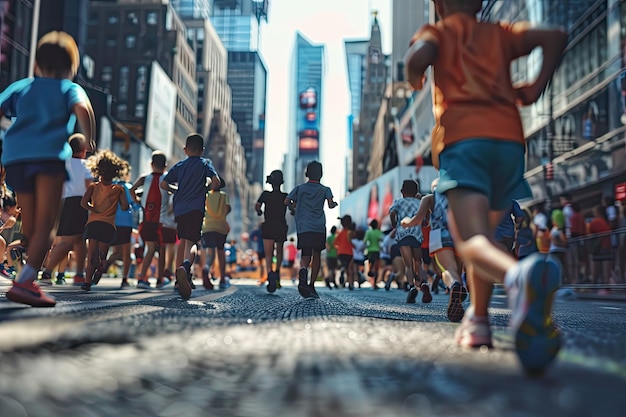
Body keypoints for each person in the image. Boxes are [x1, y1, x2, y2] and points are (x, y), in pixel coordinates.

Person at [404, 0, 567, 375]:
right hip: (509, 141)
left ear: (438, 5)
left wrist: (416, 77)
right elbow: (555, 36)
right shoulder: (500, 33)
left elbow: (419, 56)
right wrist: (535, 87)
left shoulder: (440, 32)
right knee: (489, 235)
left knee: (471, 241)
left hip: (464, 141)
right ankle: (478, 322)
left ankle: (518, 277)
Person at [1, 31, 96, 307]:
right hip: (49, 158)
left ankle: (25, 275)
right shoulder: (69, 88)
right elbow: (84, 109)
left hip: (16, 157)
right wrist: (88, 136)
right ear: (71, 68)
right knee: (48, 224)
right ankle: (25, 281)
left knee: (30, 223)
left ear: (36, 64)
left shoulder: (22, 86)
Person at [160, 133, 221, 300]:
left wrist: (177, 191)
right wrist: (206, 188)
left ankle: (182, 274)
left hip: (180, 209)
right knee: (193, 243)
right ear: (202, 150)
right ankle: (186, 267)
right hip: (196, 208)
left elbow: (163, 184)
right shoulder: (205, 164)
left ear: (185, 149)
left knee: (185, 240)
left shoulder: (179, 166)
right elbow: (216, 182)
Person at [401, 178, 466, 322]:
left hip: (440, 236)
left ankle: (454, 284)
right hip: (460, 234)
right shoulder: (461, 194)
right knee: (459, 270)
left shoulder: (429, 198)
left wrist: (405, 222)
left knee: (448, 270)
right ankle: (459, 289)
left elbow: (417, 220)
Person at [39, 133, 93, 286]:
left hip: (62, 202)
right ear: (84, 149)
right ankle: (47, 272)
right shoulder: (85, 165)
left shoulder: (64, 163)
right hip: (78, 203)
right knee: (68, 241)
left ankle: (79, 274)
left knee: (80, 240)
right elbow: (89, 187)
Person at [285, 160, 338, 299]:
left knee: (305, 254)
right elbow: (331, 205)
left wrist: (293, 207)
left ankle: (303, 270)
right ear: (321, 174)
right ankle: (312, 285)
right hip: (319, 226)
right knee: (317, 255)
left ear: (307, 173)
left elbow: (286, 201)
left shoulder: (300, 188)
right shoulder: (325, 189)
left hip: (303, 226)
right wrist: (334, 204)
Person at [80, 150, 129, 291]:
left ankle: (87, 282)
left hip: (93, 224)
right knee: (102, 254)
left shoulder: (93, 187)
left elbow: (83, 203)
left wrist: (94, 209)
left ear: (98, 170)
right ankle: (99, 271)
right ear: (115, 172)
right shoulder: (118, 189)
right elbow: (125, 207)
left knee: (91, 254)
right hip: (108, 225)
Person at [130, 151, 171, 289]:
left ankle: (146, 277)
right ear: (165, 166)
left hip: (146, 220)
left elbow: (132, 190)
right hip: (162, 221)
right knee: (160, 249)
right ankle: (153, 278)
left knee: (150, 248)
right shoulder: (167, 179)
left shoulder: (144, 178)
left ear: (151, 164)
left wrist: (137, 202)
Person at [389, 179, 430, 304]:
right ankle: (423, 282)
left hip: (403, 234)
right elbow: (427, 213)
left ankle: (412, 286)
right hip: (417, 234)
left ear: (402, 191)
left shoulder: (399, 201)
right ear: (416, 191)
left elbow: (392, 212)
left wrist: (394, 224)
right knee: (418, 261)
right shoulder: (419, 202)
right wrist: (425, 221)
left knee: (408, 265)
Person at [256, 169, 288, 293]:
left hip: (268, 225)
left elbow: (257, 206)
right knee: (279, 250)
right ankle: (278, 271)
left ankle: (270, 273)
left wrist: (259, 212)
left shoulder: (265, 195)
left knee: (268, 253)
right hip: (280, 225)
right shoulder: (285, 196)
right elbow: (292, 206)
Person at [199, 177, 230, 290]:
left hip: (207, 226)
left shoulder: (206, 195)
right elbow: (228, 208)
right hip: (221, 227)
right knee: (221, 252)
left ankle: (206, 268)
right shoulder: (224, 196)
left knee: (210, 252)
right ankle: (222, 279)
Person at [364, 219, 384, 288]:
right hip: (376, 250)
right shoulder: (378, 232)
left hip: (369, 251)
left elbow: (365, 241)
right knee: (376, 267)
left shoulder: (368, 232)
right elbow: (382, 240)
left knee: (371, 264)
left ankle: (371, 275)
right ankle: (374, 283)